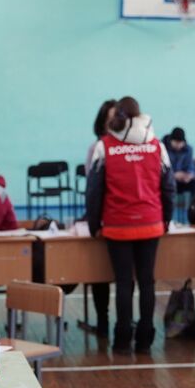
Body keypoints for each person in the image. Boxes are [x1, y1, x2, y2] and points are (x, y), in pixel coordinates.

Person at [85, 95, 173, 353]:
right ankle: (145, 338)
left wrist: (94, 223)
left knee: (124, 283)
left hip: (117, 224)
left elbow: (94, 189)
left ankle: (122, 338)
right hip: (150, 222)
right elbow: (168, 187)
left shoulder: (105, 146)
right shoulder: (157, 145)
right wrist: (166, 219)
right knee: (147, 282)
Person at [83, 99, 117, 335]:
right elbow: (93, 188)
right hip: (104, 217)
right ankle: (102, 319)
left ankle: (125, 321)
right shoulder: (97, 148)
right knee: (98, 271)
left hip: (123, 219)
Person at [165, 126, 195, 212]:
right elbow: (162, 168)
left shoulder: (188, 149)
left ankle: (193, 211)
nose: (179, 145)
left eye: (181, 142)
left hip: (182, 180)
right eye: (176, 142)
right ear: (171, 140)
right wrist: (174, 175)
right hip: (169, 180)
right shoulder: (163, 148)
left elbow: (191, 166)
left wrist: (189, 175)